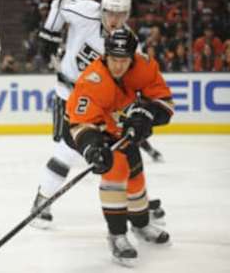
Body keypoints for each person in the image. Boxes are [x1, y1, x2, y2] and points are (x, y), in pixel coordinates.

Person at [32, 0, 164, 229]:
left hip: (103, 104)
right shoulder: (85, 13)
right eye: (110, 13)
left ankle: (135, 202)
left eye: (121, 14)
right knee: (69, 150)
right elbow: (59, 4)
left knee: (126, 149)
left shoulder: (128, 42)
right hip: (69, 96)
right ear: (101, 9)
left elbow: (136, 76)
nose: (115, 20)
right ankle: (42, 201)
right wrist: (48, 34)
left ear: (128, 14)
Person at [67, 28, 173, 266]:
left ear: (132, 58)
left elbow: (165, 103)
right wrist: (93, 149)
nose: (118, 66)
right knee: (114, 170)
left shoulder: (144, 67)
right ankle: (116, 235)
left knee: (135, 170)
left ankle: (141, 223)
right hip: (87, 128)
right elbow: (79, 124)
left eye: (123, 60)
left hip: (118, 127)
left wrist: (146, 114)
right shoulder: (93, 79)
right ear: (105, 56)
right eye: (114, 59)